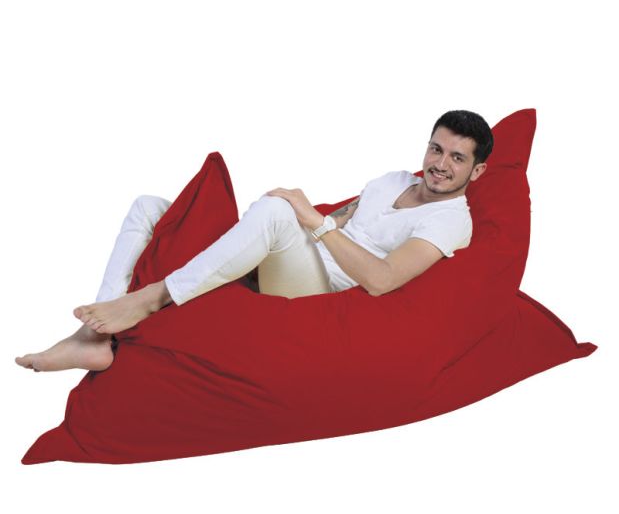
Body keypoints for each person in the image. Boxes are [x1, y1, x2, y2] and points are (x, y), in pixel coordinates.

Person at [15, 109, 492, 373]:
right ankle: (95, 338)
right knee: (149, 208)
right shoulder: (393, 180)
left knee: (278, 212)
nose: (440, 164)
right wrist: (303, 225)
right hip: (301, 258)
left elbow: (384, 279)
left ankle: (151, 298)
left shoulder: (451, 221)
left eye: (457, 158)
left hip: (322, 292)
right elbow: (343, 220)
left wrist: (308, 218)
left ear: (477, 171)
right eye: (436, 149)